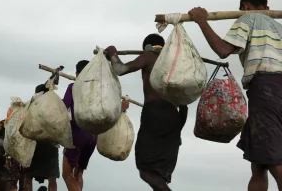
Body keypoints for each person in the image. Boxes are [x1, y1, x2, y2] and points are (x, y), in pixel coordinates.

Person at [187, 0, 282, 191]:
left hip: (266, 92)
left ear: (246, 6)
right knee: (259, 166)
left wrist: (201, 21)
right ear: (267, 8)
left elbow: (223, 50)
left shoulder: (248, 18)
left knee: (279, 164)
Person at [105, 34, 188, 191]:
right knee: (159, 172)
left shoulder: (148, 56)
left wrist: (113, 53)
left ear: (147, 46)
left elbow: (120, 69)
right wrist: (177, 128)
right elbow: (184, 103)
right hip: (174, 116)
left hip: (154, 113)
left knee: (146, 170)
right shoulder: (174, 63)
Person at [62, 60, 128, 191]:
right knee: (78, 173)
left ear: (77, 73)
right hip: (93, 138)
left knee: (67, 175)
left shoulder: (74, 87)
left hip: (77, 135)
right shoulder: (101, 90)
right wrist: (123, 107)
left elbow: (64, 107)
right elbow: (111, 110)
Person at [24, 84, 60, 191]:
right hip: (50, 144)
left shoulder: (30, 105)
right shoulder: (55, 106)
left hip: (33, 144)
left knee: (28, 176)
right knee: (52, 176)